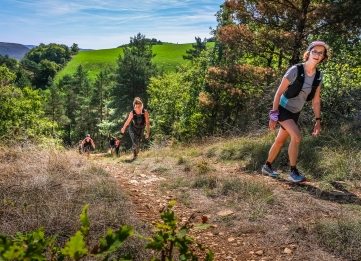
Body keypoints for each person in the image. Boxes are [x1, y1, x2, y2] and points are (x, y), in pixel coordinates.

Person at [262, 41, 330, 183]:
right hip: (283, 109)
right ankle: (293, 172)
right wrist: (274, 115)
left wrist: (318, 120)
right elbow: (278, 93)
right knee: (297, 136)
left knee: (280, 141)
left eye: (321, 53)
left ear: (323, 57)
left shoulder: (318, 76)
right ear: (309, 53)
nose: (317, 55)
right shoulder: (295, 70)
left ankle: (267, 166)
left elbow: (316, 101)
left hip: (295, 113)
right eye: (315, 51)